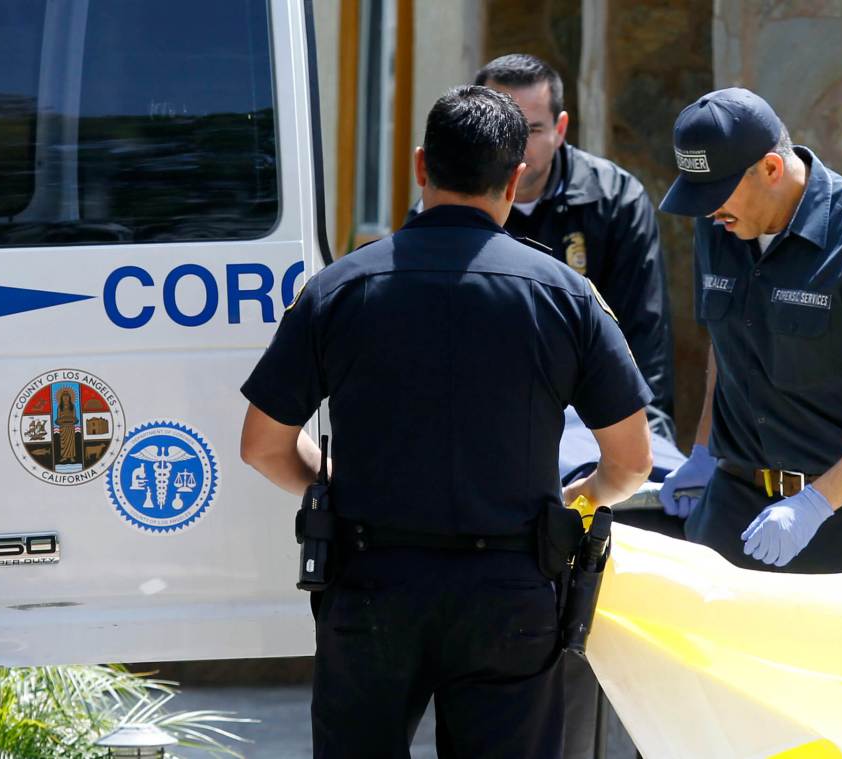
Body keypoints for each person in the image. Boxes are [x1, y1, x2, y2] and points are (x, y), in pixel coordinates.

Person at [240, 85, 653, 759]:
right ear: (515, 177)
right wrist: (583, 498)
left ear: (420, 166)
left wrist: (330, 481)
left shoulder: (340, 288)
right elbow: (633, 459)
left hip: (372, 582)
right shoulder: (564, 294)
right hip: (511, 591)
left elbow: (262, 444)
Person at [657, 87, 842, 573]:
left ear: (771, 168)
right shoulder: (722, 225)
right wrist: (704, 450)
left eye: (718, 194)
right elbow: (726, 347)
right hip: (733, 513)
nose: (708, 212)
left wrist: (815, 504)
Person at [409, 54, 675, 439]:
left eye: (531, 130)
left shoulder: (616, 200)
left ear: (561, 128)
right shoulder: (443, 204)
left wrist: (649, 448)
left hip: (594, 425)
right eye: (504, 130)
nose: (517, 147)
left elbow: (643, 340)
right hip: (482, 424)